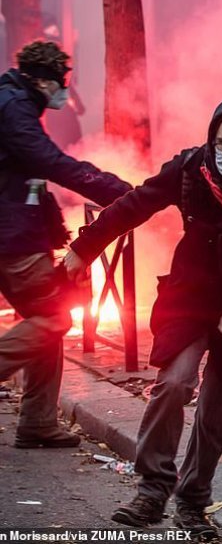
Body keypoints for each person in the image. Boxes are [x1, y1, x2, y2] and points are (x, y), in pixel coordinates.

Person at [64, 95, 222, 538]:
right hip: (191, 296)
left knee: (217, 408)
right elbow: (135, 203)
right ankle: (152, 488)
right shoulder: (190, 169)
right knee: (174, 382)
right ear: (211, 138)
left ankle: (194, 501)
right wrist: (86, 247)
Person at [0, 40, 131, 448]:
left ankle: (38, 421)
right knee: (55, 317)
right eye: (60, 83)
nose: (63, 90)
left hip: (17, 232)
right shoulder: (14, 107)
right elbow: (50, 162)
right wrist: (117, 191)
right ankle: (36, 419)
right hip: (13, 239)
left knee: (43, 320)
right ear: (41, 79)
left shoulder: (12, 99)